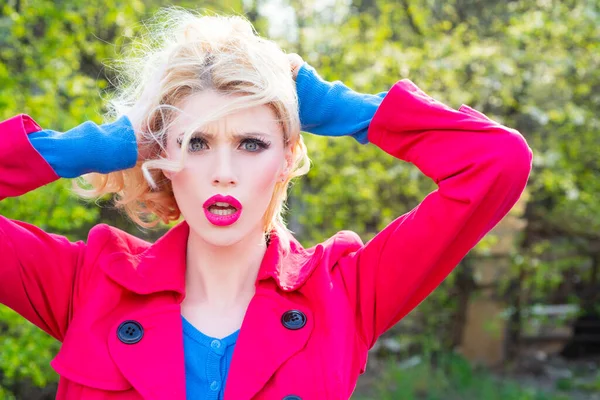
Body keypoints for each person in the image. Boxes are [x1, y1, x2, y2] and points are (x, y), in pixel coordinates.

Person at [0, 9, 532, 400]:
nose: (223, 174)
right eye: (197, 143)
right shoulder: (88, 282)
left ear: (287, 158)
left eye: (251, 144)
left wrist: (342, 109)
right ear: (161, 157)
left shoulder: (343, 291)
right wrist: (95, 147)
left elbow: (496, 162)